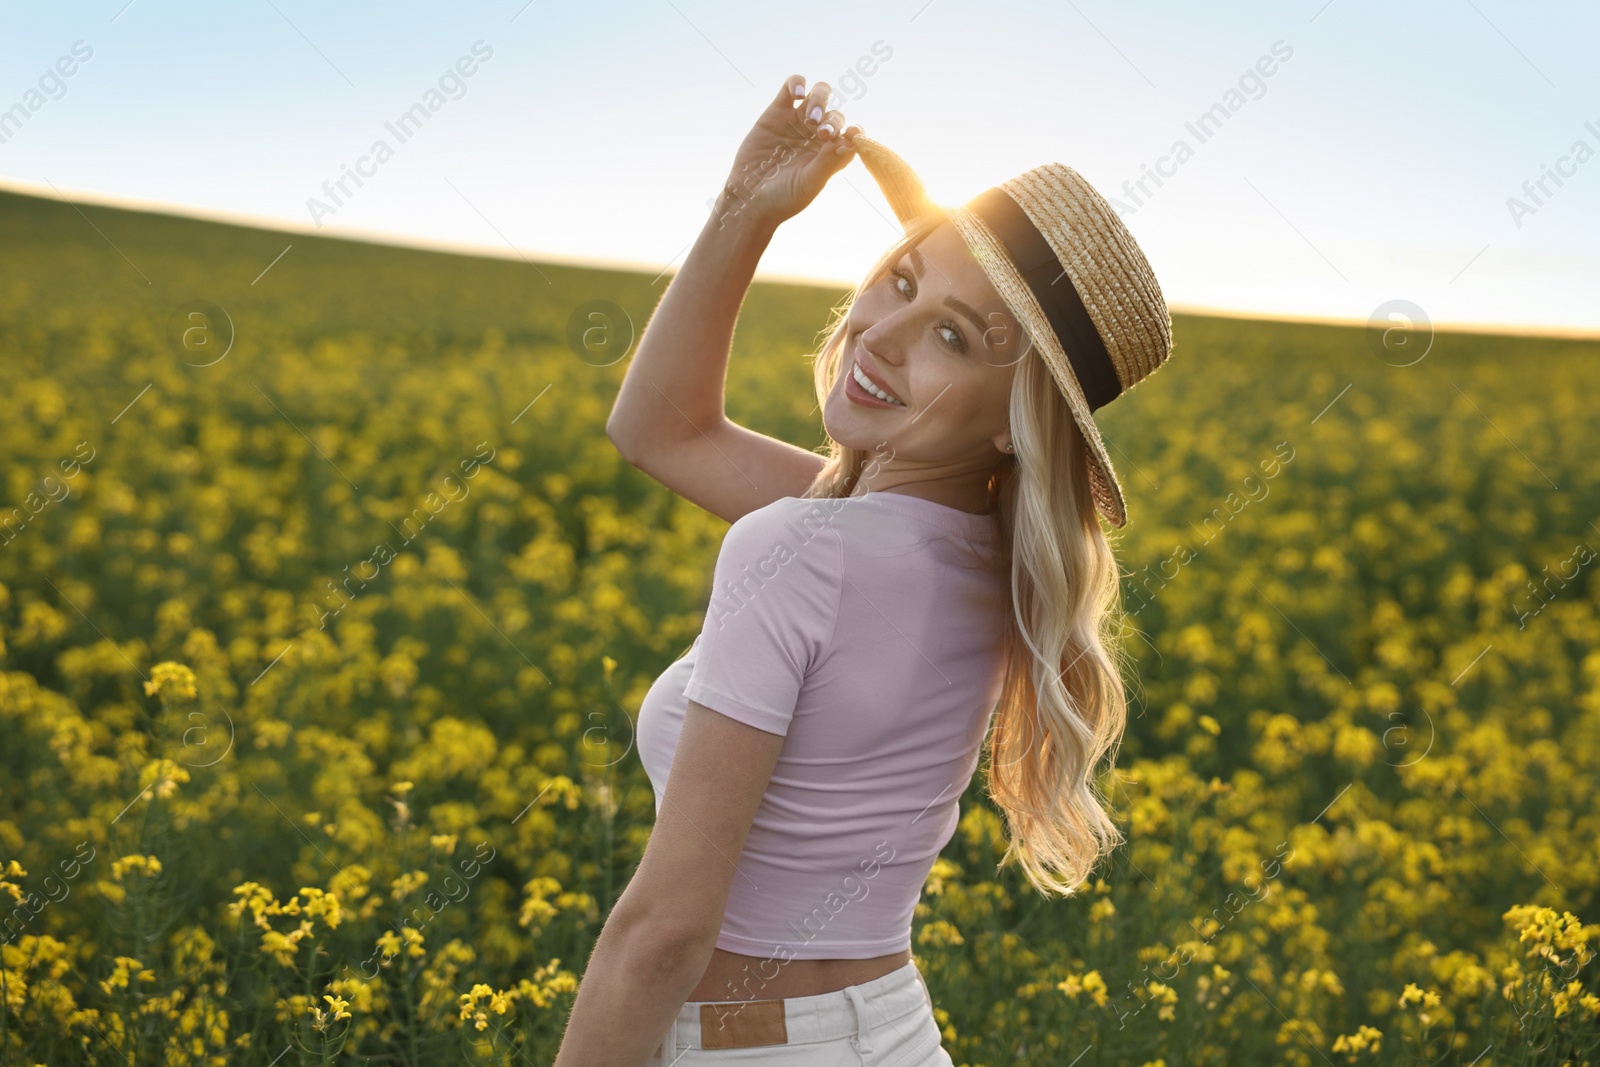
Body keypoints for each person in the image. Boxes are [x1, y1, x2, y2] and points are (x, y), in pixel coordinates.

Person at [554, 73, 1174, 1066]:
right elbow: (660, 430)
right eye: (901, 279)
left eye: (952, 336)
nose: (879, 333)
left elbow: (663, 934)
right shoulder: (983, 557)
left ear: (1017, 424)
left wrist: (740, 215)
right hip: (889, 1032)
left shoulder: (804, 548)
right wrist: (745, 207)